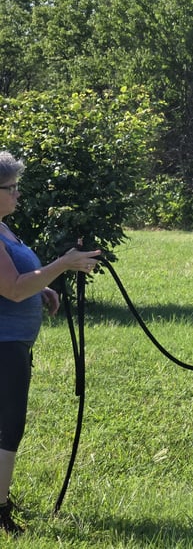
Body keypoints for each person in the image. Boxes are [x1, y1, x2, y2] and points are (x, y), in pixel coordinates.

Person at [0, 152, 101, 534]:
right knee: (9, 426)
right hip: (3, 344)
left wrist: (41, 292)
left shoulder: (6, 229)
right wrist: (63, 264)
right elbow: (10, 288)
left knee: (6, 422)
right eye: (11, 188)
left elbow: (18, 279)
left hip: (14, 343)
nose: (18, 194)